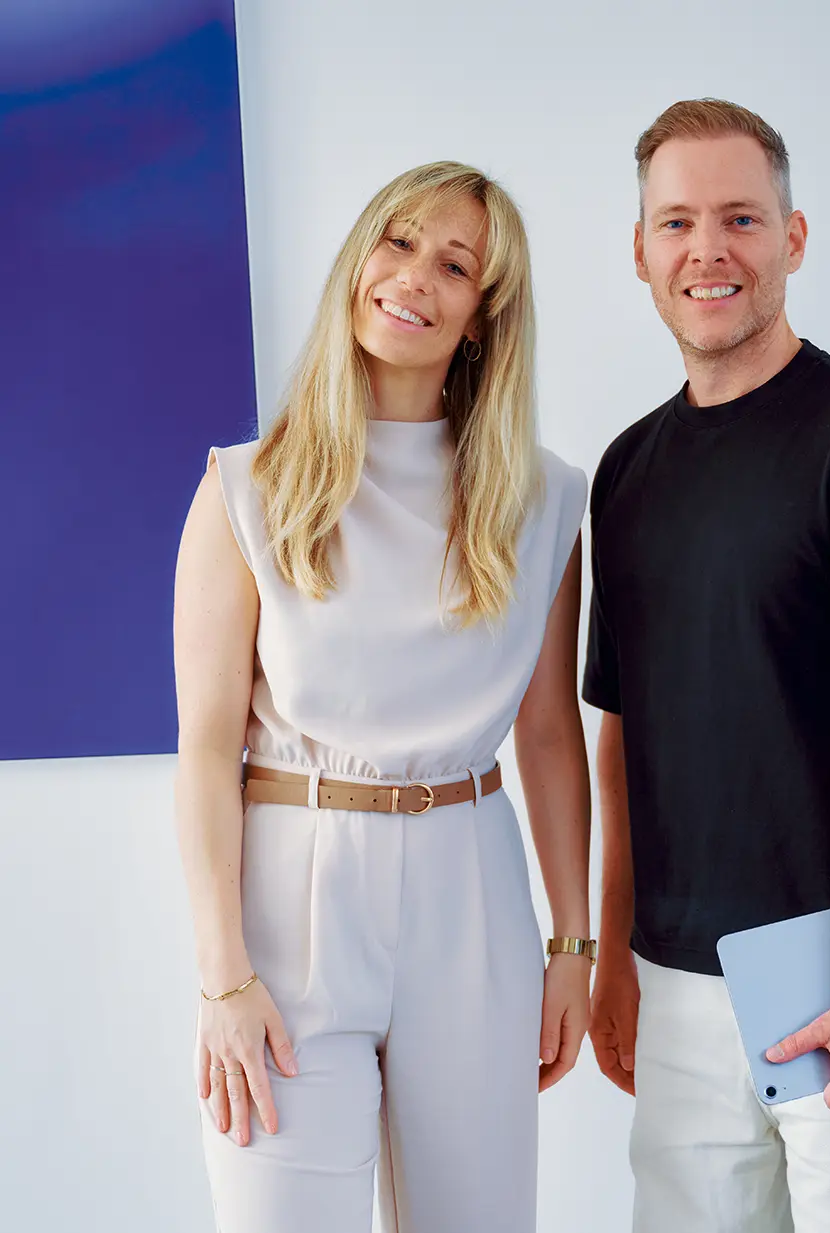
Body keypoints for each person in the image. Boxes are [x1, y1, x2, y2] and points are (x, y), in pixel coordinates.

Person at [584, 99, 830, 1233]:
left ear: (793, 239)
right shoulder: (626, 475)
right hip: (678, 989)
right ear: (640, 251)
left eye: (740, 219)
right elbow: (623, 737)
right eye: (676, 223)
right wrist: (617, 959)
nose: (707, 250)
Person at [173, 160, 593, 1233]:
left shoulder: (541, 499)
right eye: (397, 242)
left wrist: (573, 947)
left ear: (483, 316)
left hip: (474, 896)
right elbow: (207, 747)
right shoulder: (248, 488)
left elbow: (549, 738)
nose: (413, 277)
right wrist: (222, 979)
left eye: (454, 265)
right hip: (293, 898)